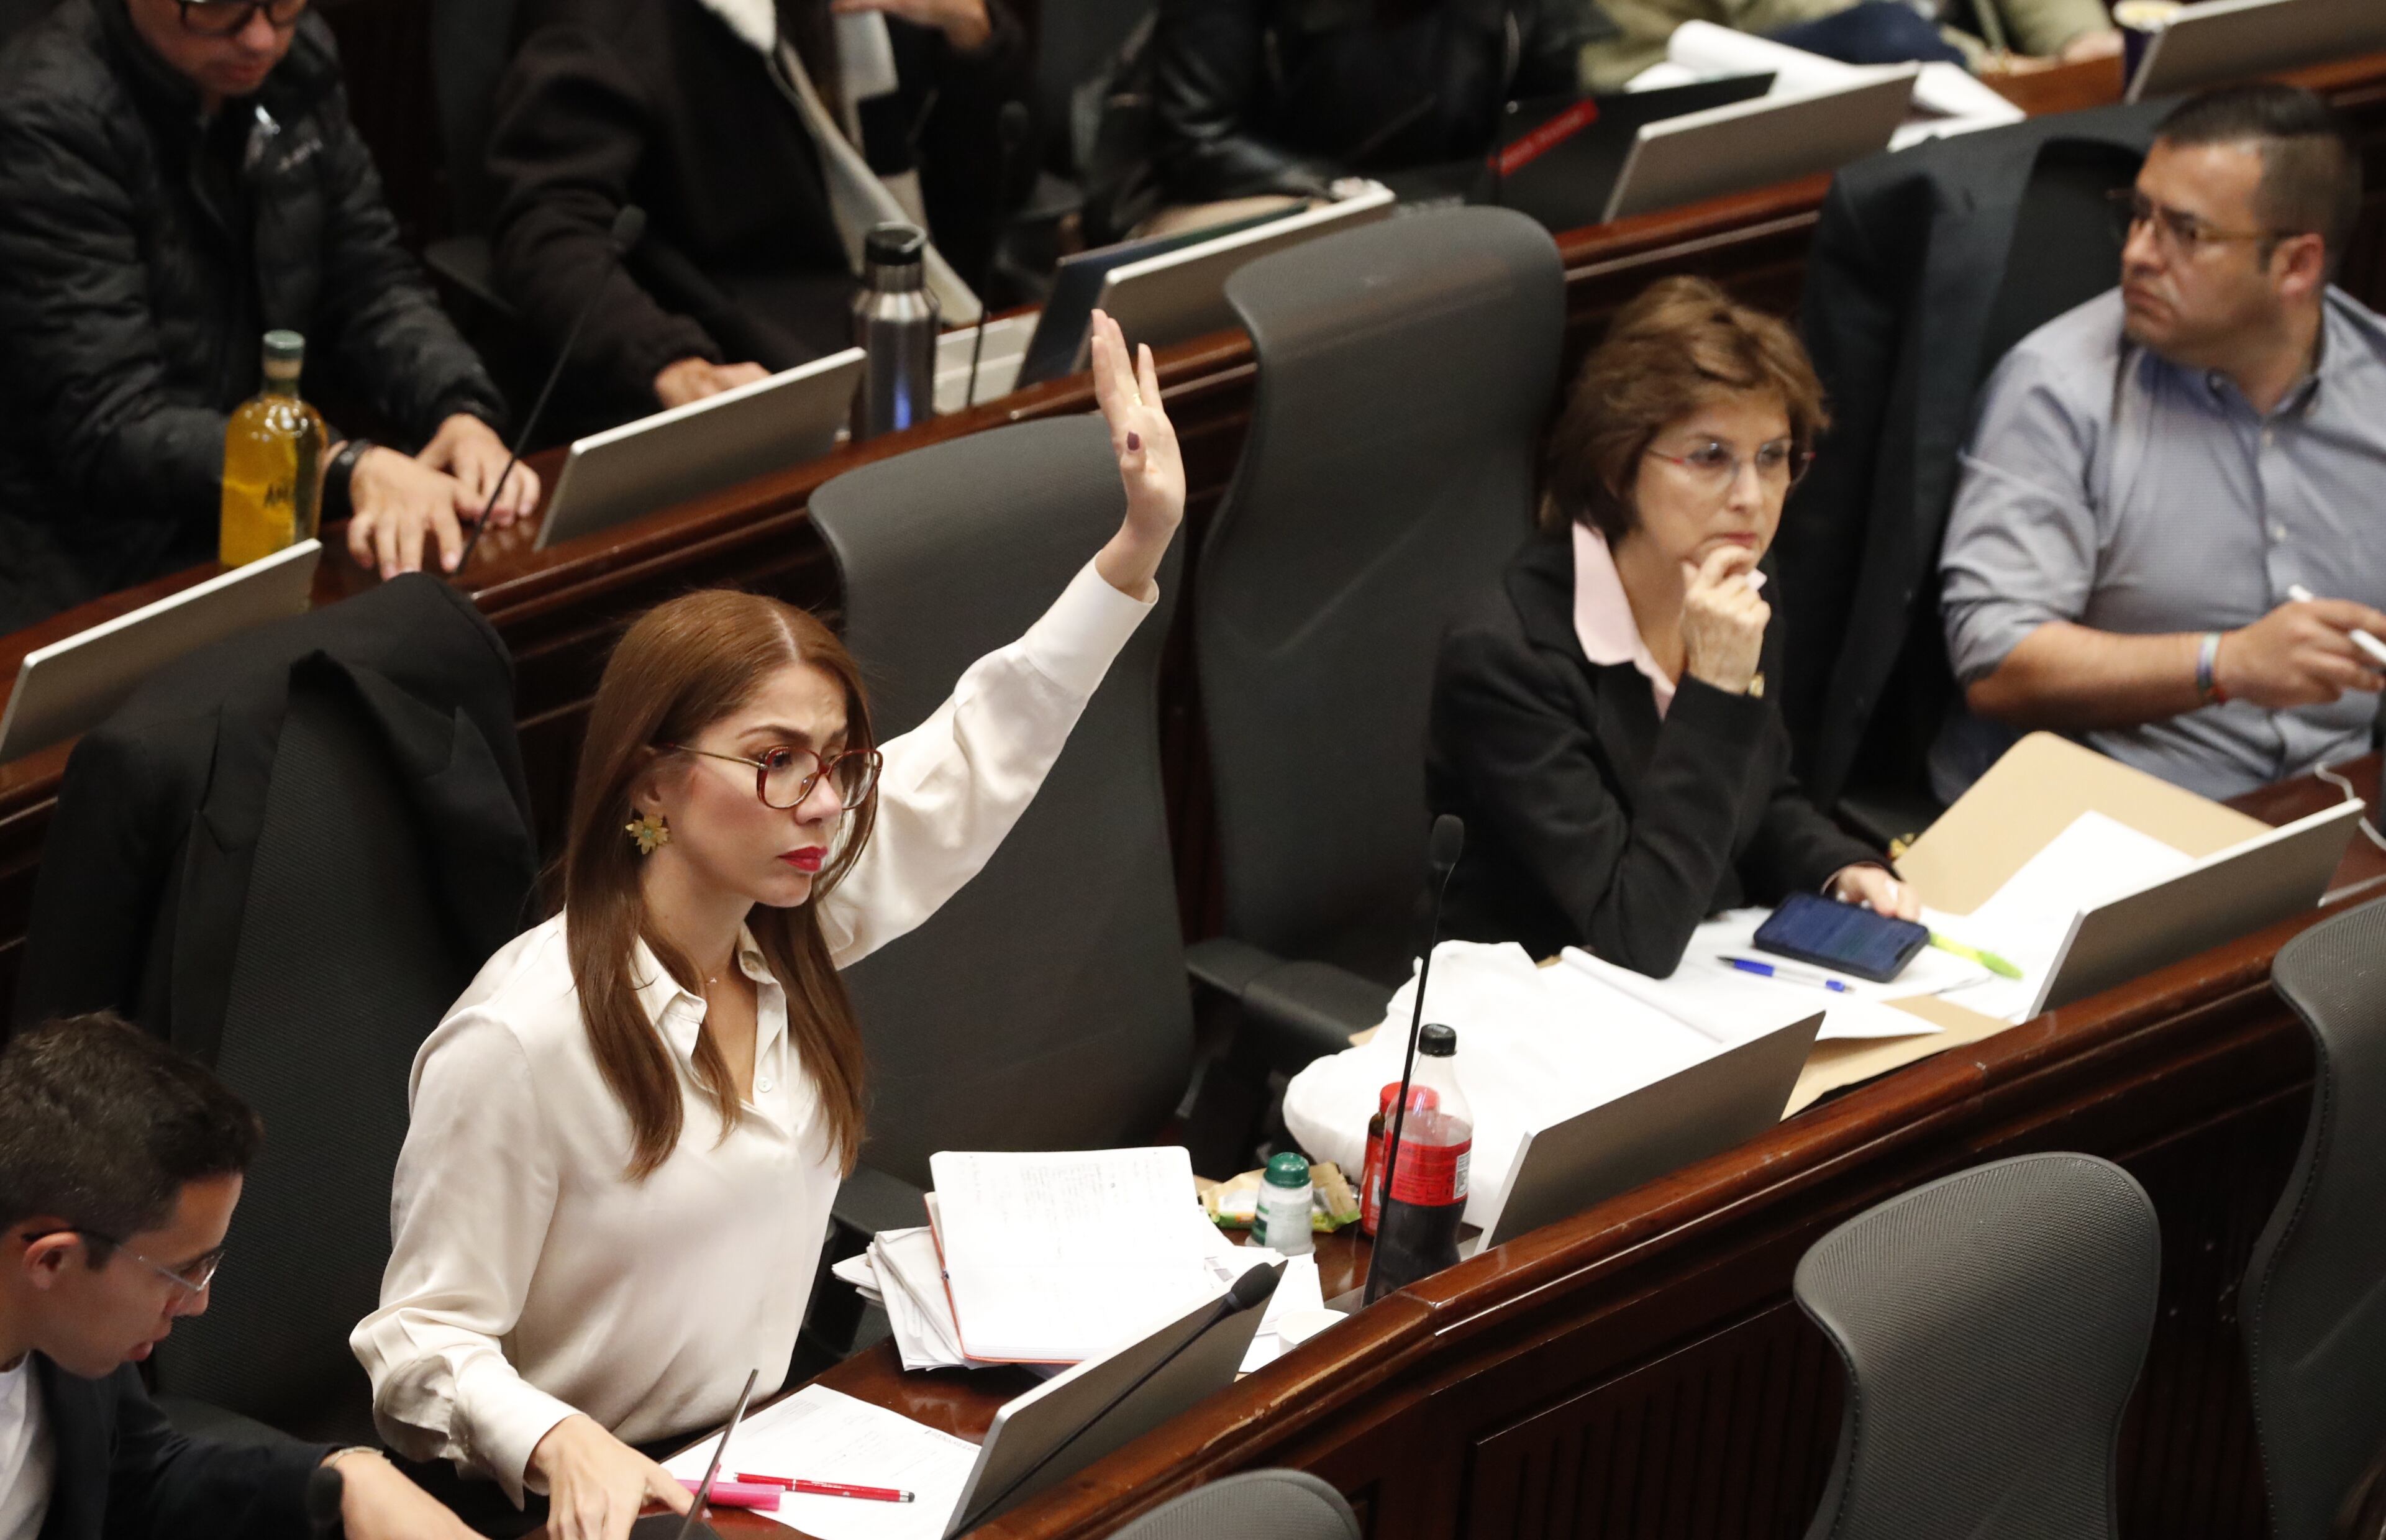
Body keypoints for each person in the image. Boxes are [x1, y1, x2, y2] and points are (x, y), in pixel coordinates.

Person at [349, 311, 1180, 1540]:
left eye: (835, 760)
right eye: (774, 759)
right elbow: (416, 1346)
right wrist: (554, 1436)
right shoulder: (524, 1035)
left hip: (759, 1463)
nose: (823, 802)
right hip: (588, 1510)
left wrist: (1135, 545)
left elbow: (979, 744)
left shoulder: (788, 924)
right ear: (651, 778)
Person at [1426, 276, 1911, 977]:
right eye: (1710, 456)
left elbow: (1756, 794)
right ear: (1617, 465)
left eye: (1773, 456)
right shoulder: (1507, 657)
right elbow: (1634, 933)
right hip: (1532, 1000)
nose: (1750, 498)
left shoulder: (1739, 581)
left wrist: (1838, 868)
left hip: (1698, 979)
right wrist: (1712, 686)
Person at [0, 0, 538, 624]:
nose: (261, 39)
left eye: (282, 3)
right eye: (217, 6)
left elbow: (371, 283)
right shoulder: (45, 117)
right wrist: (340, 466)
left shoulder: (297, 58)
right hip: (94, 561)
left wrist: (458, 408)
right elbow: (108, 422)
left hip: (265, 520)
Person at [1936, 84, 2384, 803]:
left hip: (2343, 795)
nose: (2138, 254)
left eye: (2186, 232)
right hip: (2118, 806)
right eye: (2138, 215)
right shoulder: (2059, 387)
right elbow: (1997, 662)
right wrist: (2224, 664)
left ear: (2296, 265)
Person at [0, 1011, 481, 1540]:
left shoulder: (67, 1328)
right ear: (52, 1261)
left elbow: (137, 1479)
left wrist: (345, 1478)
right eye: (180, 1271)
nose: (197, 1301)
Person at [483, 0, 1029, 427]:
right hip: (755, 370)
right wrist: (668, 362)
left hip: (942, 333)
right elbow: (548, 228)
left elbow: (1011, 186)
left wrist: (973, 38)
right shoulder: (608, 18)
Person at [1149, 0, 1619, 210]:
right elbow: (1197, 140)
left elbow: (1552, 121)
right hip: (1252, 193)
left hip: (1447, 196)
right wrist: (1344, 192)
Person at [1578, 0, 2121, 92]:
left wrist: (2079, 43)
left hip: (1933, 59)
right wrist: (1998, 66)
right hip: (1663, 89)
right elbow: (1852, 25)